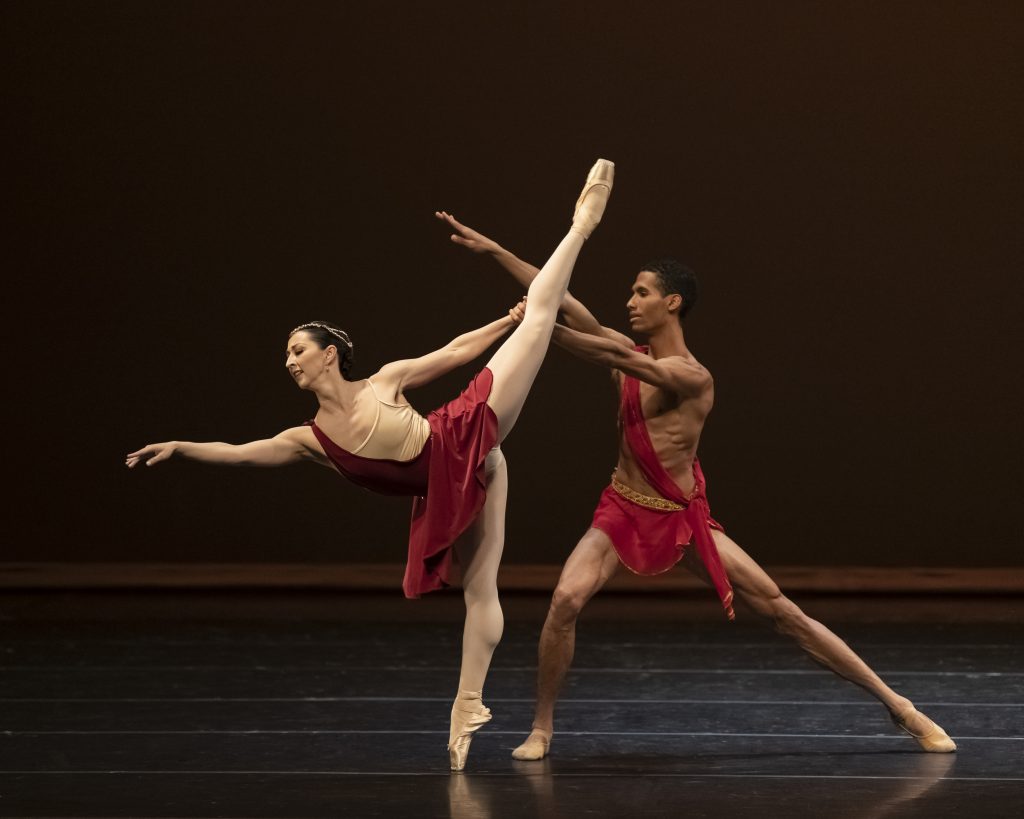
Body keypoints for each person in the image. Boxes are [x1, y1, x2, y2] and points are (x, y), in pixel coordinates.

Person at [126, 159, 615, 771]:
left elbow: (457, 351)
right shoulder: (307, 438)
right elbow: (241, 453)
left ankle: (581, 224)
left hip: (462, 437)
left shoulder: (384, 382)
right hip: (452, 486)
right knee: (479, 590)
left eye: (297, 350)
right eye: (286, 355)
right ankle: (468, 705)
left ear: (330, 355)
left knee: (540, 320)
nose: (289, 361)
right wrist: (181, 446)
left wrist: (506, 322)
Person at [436, 213, 957, 761]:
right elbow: (557, 295)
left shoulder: (691, 375)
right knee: (564, 599)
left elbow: (599, 347)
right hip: (621, 509)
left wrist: (536, 327)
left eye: (642, 293)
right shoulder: (631, 357)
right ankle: (541, 729)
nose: (629, 302)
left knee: (783, 612)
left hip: (681, 515)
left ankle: (901, 707)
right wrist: (494, 249)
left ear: (672, 303)